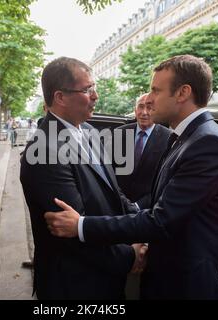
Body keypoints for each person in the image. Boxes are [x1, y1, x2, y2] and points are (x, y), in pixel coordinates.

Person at [45, 55, 218, 299]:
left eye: (156, 91)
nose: (148, 99)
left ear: (182, 93)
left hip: (193, 282)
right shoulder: (187, 137)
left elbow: (161, 220)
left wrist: (81, 225)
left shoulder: (208, 142)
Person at [20, 57, 145, 300]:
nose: (96, 95)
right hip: (74, 284)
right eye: (88, 89)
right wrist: (130, 256)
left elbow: (112, 192)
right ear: (60, 97)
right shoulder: (44, 151)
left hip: (106, 277)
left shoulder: (88, 131)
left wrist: (142, 224)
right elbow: (70, 235)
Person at [114, 93, 170, 203]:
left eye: (149, 107)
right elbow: (110, 171)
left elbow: (164, 181)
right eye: (140, 106)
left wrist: (139, 206)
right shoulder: (119, 133)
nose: (144, 112)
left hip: (147, 208)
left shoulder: (168, 138)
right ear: (135, 110)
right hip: (117, 203)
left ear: (156, 110)